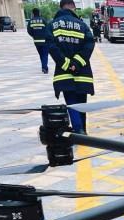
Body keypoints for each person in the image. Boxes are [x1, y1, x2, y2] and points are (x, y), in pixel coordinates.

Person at [45, 0, 95, 134]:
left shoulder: (52, 25)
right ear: (73, 8)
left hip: (64, 74)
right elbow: (89, 45)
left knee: (72, 104)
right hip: (82, 73)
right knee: (81, 105)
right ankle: (82, 131)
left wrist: (67, 64)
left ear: (61, 8)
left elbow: (52, 47)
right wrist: (76, 63)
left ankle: (79, 130)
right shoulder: (82, 25)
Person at [27, 8, 49, 74]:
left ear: (33, 13)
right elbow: (48, 29)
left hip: (36, 41)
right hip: (45, 41)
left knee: (41, 54)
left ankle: (44, 67)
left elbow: (29, 31)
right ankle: (44, 67)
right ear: (39, 13)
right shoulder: (43, 20)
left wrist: (34, 36)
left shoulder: (31, 21)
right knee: (45, 54)